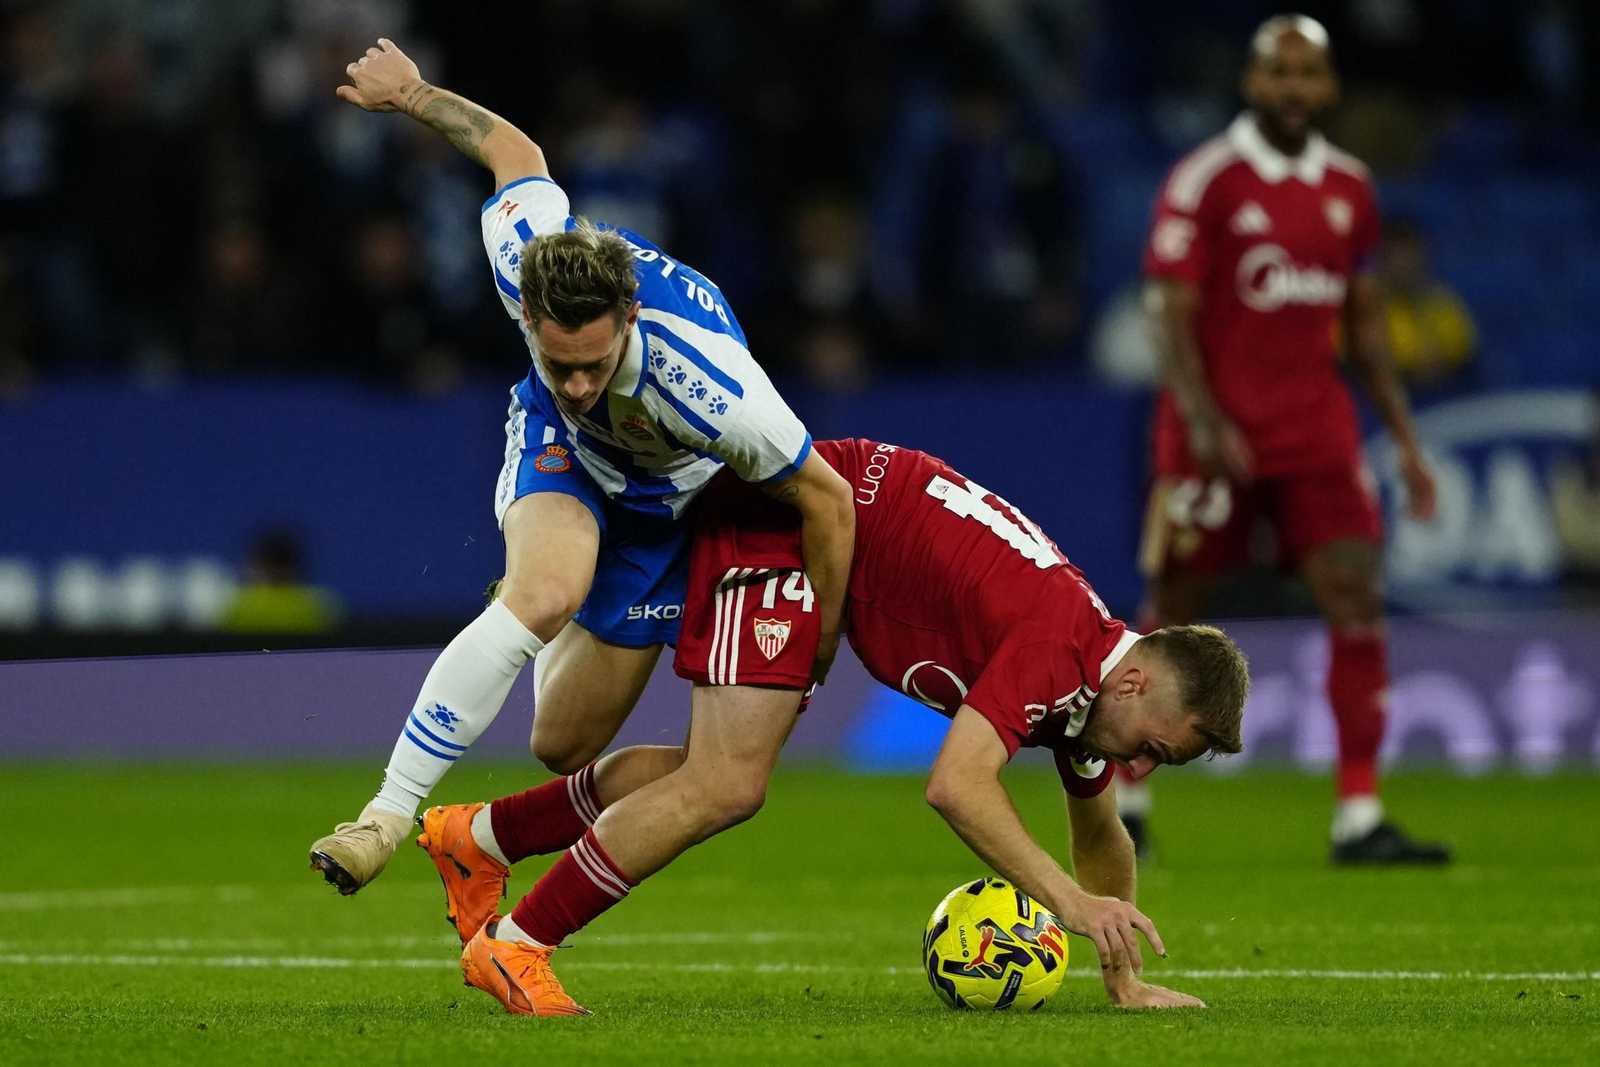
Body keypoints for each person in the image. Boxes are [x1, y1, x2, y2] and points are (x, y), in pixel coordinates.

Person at [412, 439, 1249, 1015]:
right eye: (1154, 746)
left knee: (708, 769)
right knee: (726, 783)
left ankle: (479, 838)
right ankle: (516, 945)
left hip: (828, 537)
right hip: (798, 523)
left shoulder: (1094, 687)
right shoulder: (1058, 650)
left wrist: (1123, 976)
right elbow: (956, 784)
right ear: (1137, 681)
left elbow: (1102, 837)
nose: (1141, 762)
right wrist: (1064, 900)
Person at [307, 40, 855, 895]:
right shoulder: (525, 250)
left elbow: (828, 498)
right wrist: (414, 95)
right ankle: (384, 813)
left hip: (679, 499)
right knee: (545, 592)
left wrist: (822, 643)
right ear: (527, 309)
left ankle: (547, 606)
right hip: (567, 456)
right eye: (558, 359)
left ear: (629, 315)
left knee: (560, 744)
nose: (578, 380)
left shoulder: (715, 390)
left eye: (594, 364)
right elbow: (514, 154)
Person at [1128, 15, 1448, 865]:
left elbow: (1367, 328)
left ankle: (1359, 815)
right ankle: (1125, 801)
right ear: (1252, 81)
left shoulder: (1351, 188)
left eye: (1310, 73)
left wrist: (1407, 443)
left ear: (1331, 86)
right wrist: (1202, 420)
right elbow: (1169, 310)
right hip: (1215, 436)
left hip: (1314, 433)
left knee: (1356, 600)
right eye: (1280, 72)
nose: (1295, 89)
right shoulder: (1207, 181)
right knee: (1174, 612)